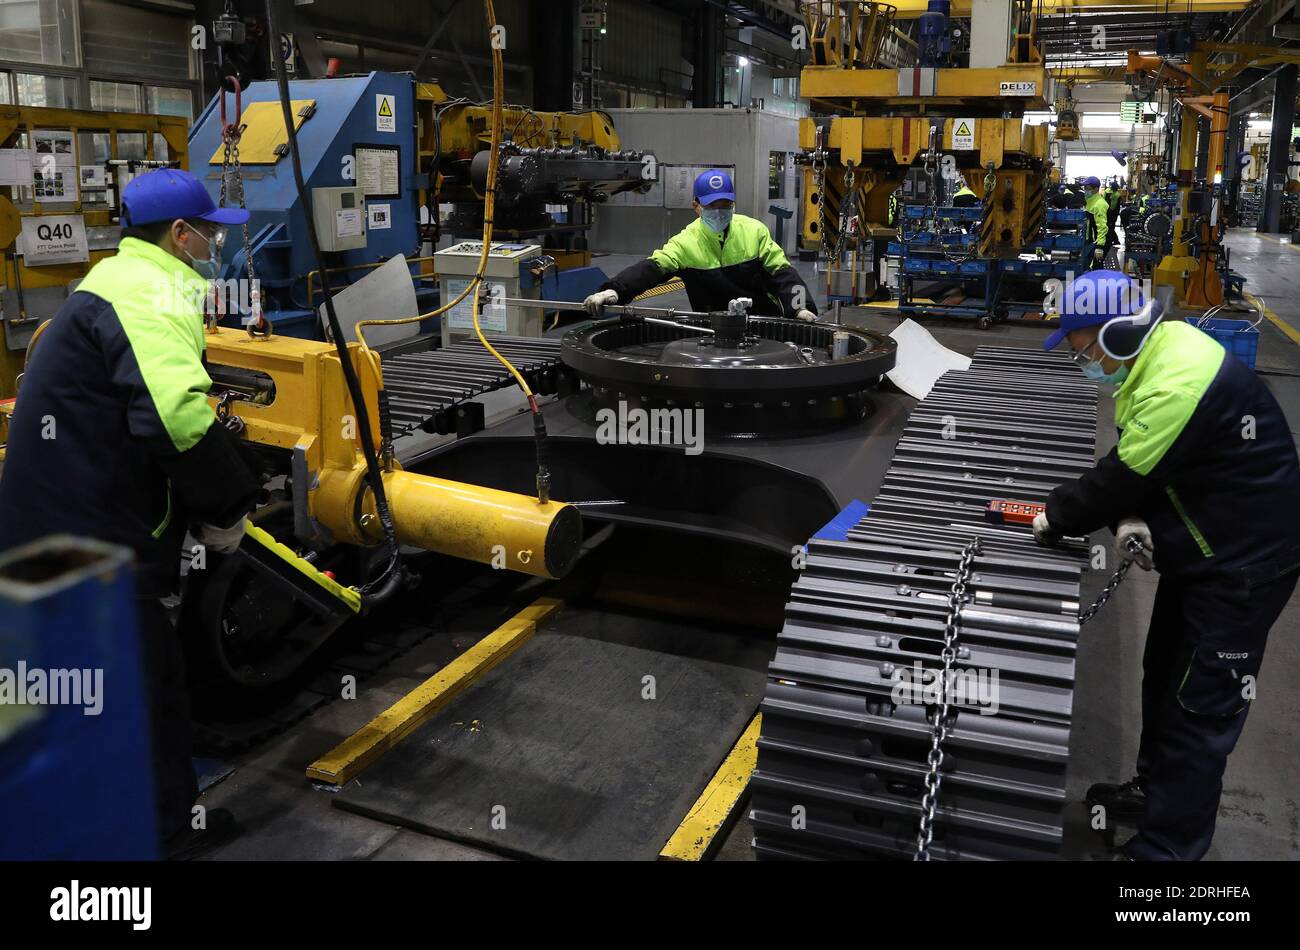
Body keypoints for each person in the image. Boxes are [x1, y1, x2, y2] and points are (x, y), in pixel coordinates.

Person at [0, 168, 262, 858]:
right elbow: (174, 417)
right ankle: (165, 834)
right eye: (209, 234)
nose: (215, 247)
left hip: (44, 517)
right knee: (147, 686)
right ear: (180, 235)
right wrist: (231, 502)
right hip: (95, 535)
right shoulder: (155, 289)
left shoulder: (109, 280)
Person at [1032, 270, 1300, 860]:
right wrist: (1139, 518)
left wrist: (1055, 516)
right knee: (1165, 675)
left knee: (1199, 706)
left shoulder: (1177, 380)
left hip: (1244, 567)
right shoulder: (1158, 354)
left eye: (1083, 348)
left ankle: (1169, 853)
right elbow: (1146, 459)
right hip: (1205, 550)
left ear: (1120, 332)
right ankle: (1154, 794)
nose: (1083, 362)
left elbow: (1118, 479)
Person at [584, 169, 817, 321]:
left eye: (726, 205)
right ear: (696, 206)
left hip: (764, 323)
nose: (720, 212)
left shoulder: (754, 231)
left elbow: (784, 273)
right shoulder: (686, 243)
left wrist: (800, 307)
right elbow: (652, 268)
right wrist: (615, 289)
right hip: (711, 330)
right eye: (712, 206)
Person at [1081, 175, 1111, 266]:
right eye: (1084, 188)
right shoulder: (1090, 201)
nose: (1085, 190)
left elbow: (1102, 227)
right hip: (1090, 241)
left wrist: (1099, 247)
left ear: (1096, 189)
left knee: (1093, 269)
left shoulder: (1100, 204)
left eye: (1088, 188)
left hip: (1096, 243)